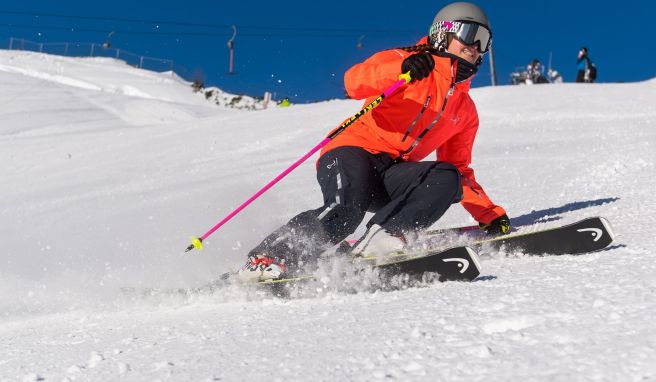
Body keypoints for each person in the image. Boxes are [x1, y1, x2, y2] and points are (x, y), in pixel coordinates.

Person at [238, 2, 510, 282]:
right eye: (470, 34)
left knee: (446, 176)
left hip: (391, 172)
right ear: (444, 33)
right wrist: (401, 68)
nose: (476, 46)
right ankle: (268, 258)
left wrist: (488, 213)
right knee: (346, 211)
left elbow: (459, 168)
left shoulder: (465, 111)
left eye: (484, 41)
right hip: (351, 151)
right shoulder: (406, 62)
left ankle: (383, 237)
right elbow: (353, 82)